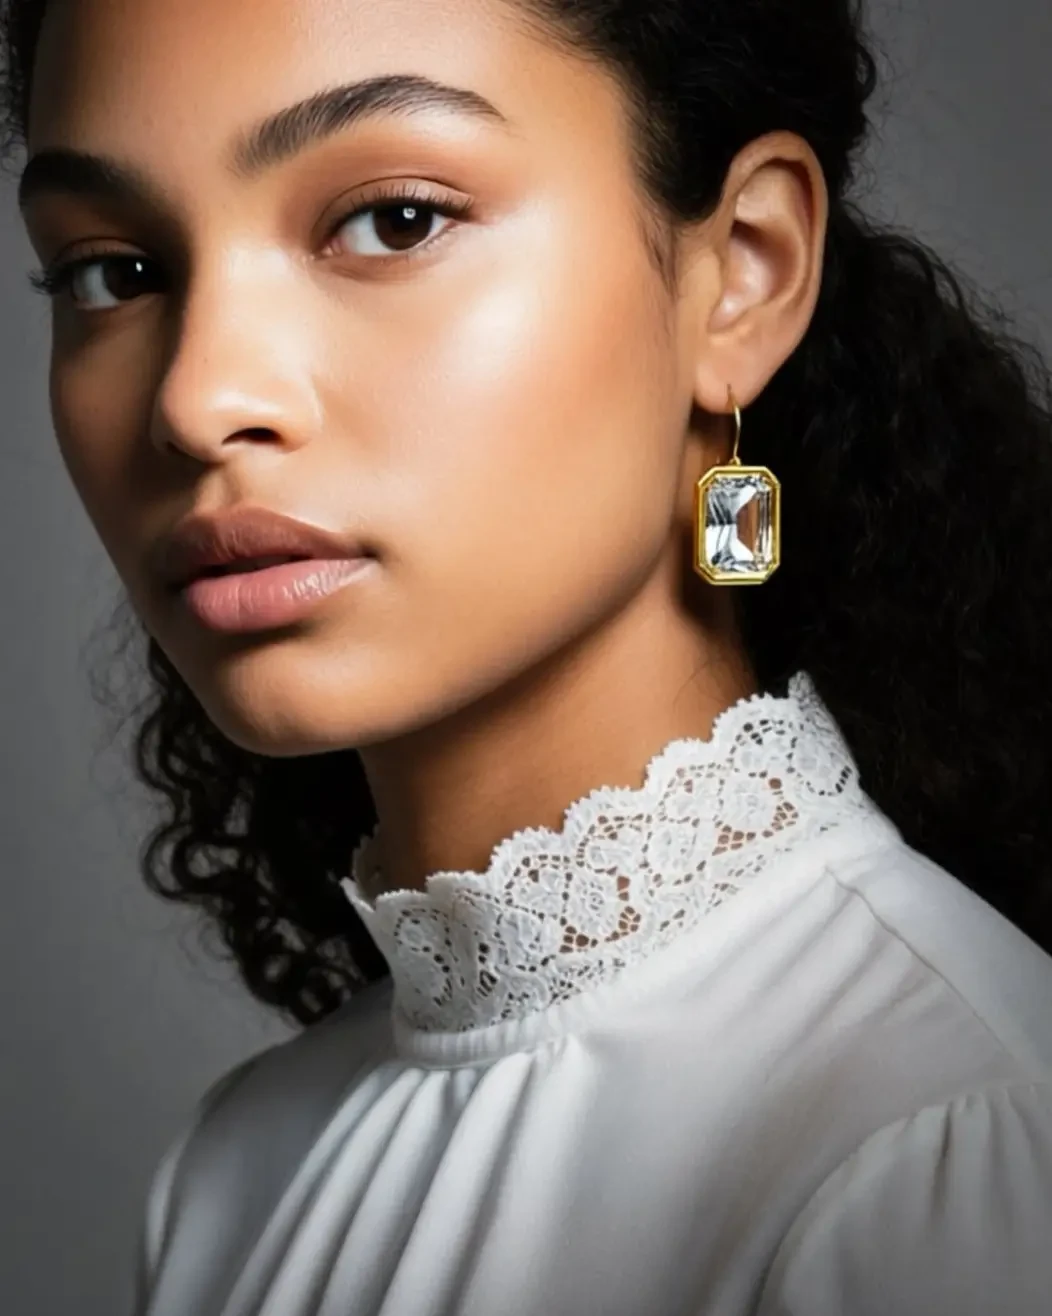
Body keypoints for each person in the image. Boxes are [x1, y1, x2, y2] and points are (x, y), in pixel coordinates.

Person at [5, 0, 1052, 1311]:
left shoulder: (939, 1150)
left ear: (743, 269)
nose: (198, 397)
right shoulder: (233, 1175)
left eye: (394, 218)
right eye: (114, 270)